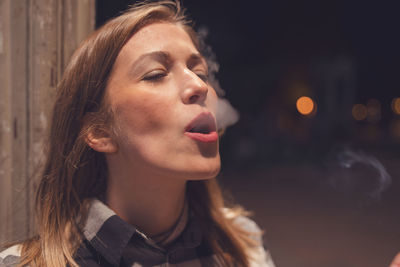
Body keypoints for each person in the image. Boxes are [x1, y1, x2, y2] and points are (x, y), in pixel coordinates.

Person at [0, 1, 275, 266]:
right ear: (100, 131)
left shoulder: (244, 244)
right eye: (156, 74)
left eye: (200, 72)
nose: (200, 87)